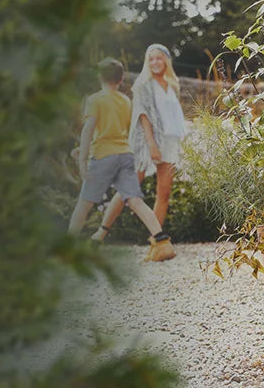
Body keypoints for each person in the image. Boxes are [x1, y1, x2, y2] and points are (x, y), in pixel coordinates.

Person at [70, 58, 177, 262]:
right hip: (125, 155)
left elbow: (89, 130)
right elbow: (121, 131)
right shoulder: (125, 101)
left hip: (102, 156)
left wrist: (83, 158)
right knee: (135, 200)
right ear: (120, 80)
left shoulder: (95, 100)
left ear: (99, 77)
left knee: (84, 205)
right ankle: (162, 241)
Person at [90, 44, 188, 242]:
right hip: (147, 142)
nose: (154, 63)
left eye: (158, 58)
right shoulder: (144, 85)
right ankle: (101, 232)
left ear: (166, 61)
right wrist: (152, 145)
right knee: (129, 188)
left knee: (164, 193)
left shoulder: (173, 86)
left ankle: (156, 242)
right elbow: (143, 116)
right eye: (150, 59)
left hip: (169, 141)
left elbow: (174, 117)